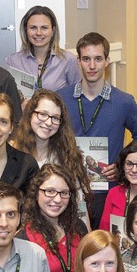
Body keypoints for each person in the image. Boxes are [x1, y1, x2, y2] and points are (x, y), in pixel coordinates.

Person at [58, 32, 137, 228]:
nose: (92, 66)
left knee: (106, 248)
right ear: (79, 61)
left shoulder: (124, 101)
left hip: (108, 191)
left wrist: (122, 164)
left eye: (98, 59)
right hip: (69, 189)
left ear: (107, 61)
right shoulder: (61, 99)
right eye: (86, 59)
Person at [10, 89, 93, 224]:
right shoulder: (12, 151)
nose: (48, 122)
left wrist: (85, 241)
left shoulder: (67, 157)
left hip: (57, 231)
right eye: (43, 114)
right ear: (30, 114)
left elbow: (79, 205)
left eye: (55, 118)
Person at [5, 5, 81, 94]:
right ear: (26, 30)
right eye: (33, 28)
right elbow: (7, 97)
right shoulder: (13, 61)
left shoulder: (68, 60)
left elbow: (77, 95)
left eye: (44, 28)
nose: (38, 33)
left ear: (53, 30)